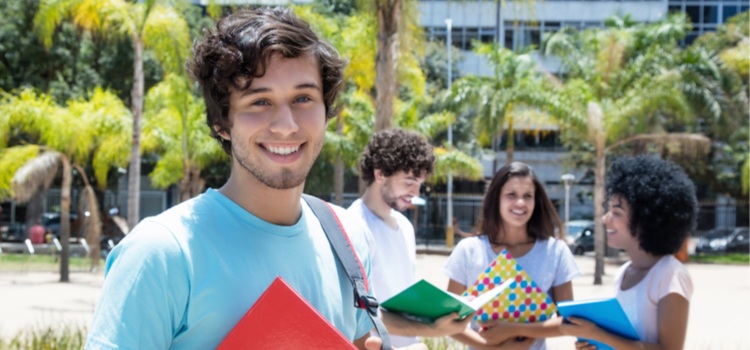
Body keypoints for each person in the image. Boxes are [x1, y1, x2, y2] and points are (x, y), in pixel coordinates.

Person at [86, 8, 409, 350]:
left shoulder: (347, 239)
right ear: (221, 124)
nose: (287, 125)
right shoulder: (163, 253)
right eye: (260, 101)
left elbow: (358, 341)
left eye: (303, 98)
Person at [348, 128, 472, 347]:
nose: (416, 192)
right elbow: (360, 314)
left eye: (420, 183)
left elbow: (408, 298)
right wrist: (431, 329)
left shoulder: (405, 226)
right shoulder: (353, 226)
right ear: (380, 174)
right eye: (409, 181)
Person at [560, 155, 696, 350]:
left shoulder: (670, 274)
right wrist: (594, 344)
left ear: (645, 220)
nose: (606, 219)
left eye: (616, 212)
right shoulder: (623, 273)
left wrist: (598, 334)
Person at [444, 161, 580, 349]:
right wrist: (491, 348)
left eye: (528, 196)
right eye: (511, 195)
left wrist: (513, 329)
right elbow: (447, 320)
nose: (521, 203)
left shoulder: (555, 251)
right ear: (496, 199)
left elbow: (568, 321)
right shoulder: (468, 250)